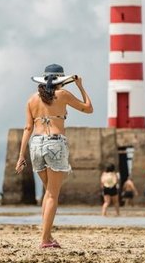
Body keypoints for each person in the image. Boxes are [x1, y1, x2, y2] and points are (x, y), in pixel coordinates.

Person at [16, 64, 93, 248]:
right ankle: (44, 240)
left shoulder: (31, 100)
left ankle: (47, 237)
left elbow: (28, 128)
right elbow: (88, 108)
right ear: (60, 81)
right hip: (55, 143)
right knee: (52, 195)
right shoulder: (63, 95)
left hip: (35, 144)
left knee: (48, 193)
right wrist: (80, 86)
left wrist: (21, 155)